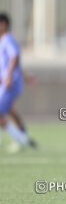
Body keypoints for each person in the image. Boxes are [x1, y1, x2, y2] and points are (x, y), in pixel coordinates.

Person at [0, 13, 37, 151]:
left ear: (4, 24)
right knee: (10, 111)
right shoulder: (3, 41)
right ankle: (24, 137)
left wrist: (9, 77)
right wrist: (26, 76)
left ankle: (22, 140)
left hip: (10, 84)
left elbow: (15, 57)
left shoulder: (7, 40)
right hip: (8, 83)